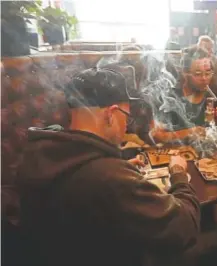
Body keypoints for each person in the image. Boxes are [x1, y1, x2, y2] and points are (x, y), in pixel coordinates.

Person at [17, 68, 201, 266]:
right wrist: (179, 173)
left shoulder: (40, 151)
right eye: (126, 117)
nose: (125, 125)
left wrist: (117, 168)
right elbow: (184, 227)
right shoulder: (109, 178)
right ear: (111, 114)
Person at [152, 46, 217, 143]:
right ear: (185, 73)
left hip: (205, 154)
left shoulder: (213, 96)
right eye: (198, 74)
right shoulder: (170, 98)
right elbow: (157, 136)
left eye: (208, 73)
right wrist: (190, 132)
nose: (204, 78)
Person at [197, 35, 217, 102]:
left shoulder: (215, 62)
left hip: (212, 99)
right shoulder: (198, 61)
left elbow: (214, 84)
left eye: (208, 48)